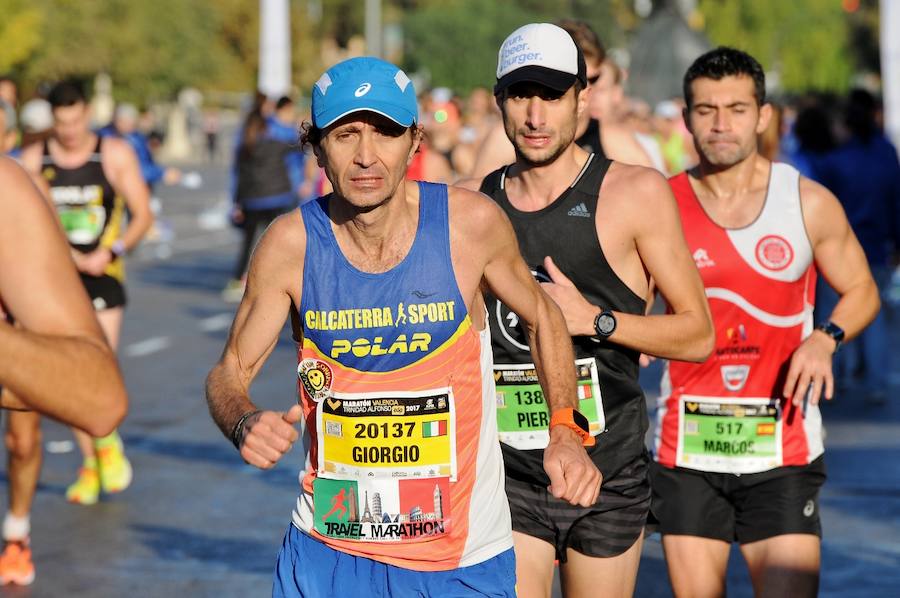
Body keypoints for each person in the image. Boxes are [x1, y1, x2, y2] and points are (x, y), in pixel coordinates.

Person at [205, 56, 602, 597]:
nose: (367, 156)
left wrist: (564, 429)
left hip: (458, 554)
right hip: (331, 546)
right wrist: (242, 421)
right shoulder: (290, 244)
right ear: (318, 147)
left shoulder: (469, 225)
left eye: (386, 133)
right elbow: (229, 372)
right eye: (346, 135)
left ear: (415, 141)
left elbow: (544, 317)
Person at [458, 23, 714, 598]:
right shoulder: (470, 204)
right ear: (499, 101)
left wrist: (595, 321)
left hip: (607, 466)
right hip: (505, 473)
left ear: (582, 98)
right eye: (521, 95)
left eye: (551, 95)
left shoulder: (634, 194)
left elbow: (698, 334)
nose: (535, 115)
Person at [651, 48, 881, 598]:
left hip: (782, 448)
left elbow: (862, 290)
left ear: (763, 115)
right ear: (686, 118)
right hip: (687, 446)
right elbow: (628, 294)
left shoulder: (806, 202)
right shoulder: (659, 204)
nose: (720, 124)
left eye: (735, 107)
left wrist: (825, 340)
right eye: (705, 110)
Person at [20, 81, 153, 506]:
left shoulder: (112, 154)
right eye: (61, 123)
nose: (70, 131)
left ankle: (101, 451)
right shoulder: (34, 160)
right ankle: (95, 458)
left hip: (102, 274)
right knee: (65, 376)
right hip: (53, 279)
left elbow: (143, 214)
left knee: (95, 367)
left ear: (87, 114)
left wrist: (109, 251)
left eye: (76, 121)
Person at [0, 156, 128, 585]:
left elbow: (101, 400)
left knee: (21, 442)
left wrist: (112, 249)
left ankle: (16, 530)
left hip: (41, 318)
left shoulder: (11, 184)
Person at [470, 20, 654, 180]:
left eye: (594, 79)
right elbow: (477, 205)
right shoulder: (504, 139)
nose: (588, 88)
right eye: (554, 87)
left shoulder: (614, 141)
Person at [814, 89, 899, 403]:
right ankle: (875, 380)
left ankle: (839, 374)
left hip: (835, 249)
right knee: (874, 316)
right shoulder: (886, 154)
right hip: (876, 246)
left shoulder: (834, 161)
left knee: (832, 311)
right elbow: (896, 201)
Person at [221, 99, 303, 303]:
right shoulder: (277, 142)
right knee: (278, 242)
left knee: (248, 243)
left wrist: (236, 202)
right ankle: (279, 281)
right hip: (277, 197)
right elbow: (300, 148)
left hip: (251, 199)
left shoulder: (244, 146)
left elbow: (237, 175)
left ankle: (236, 281)